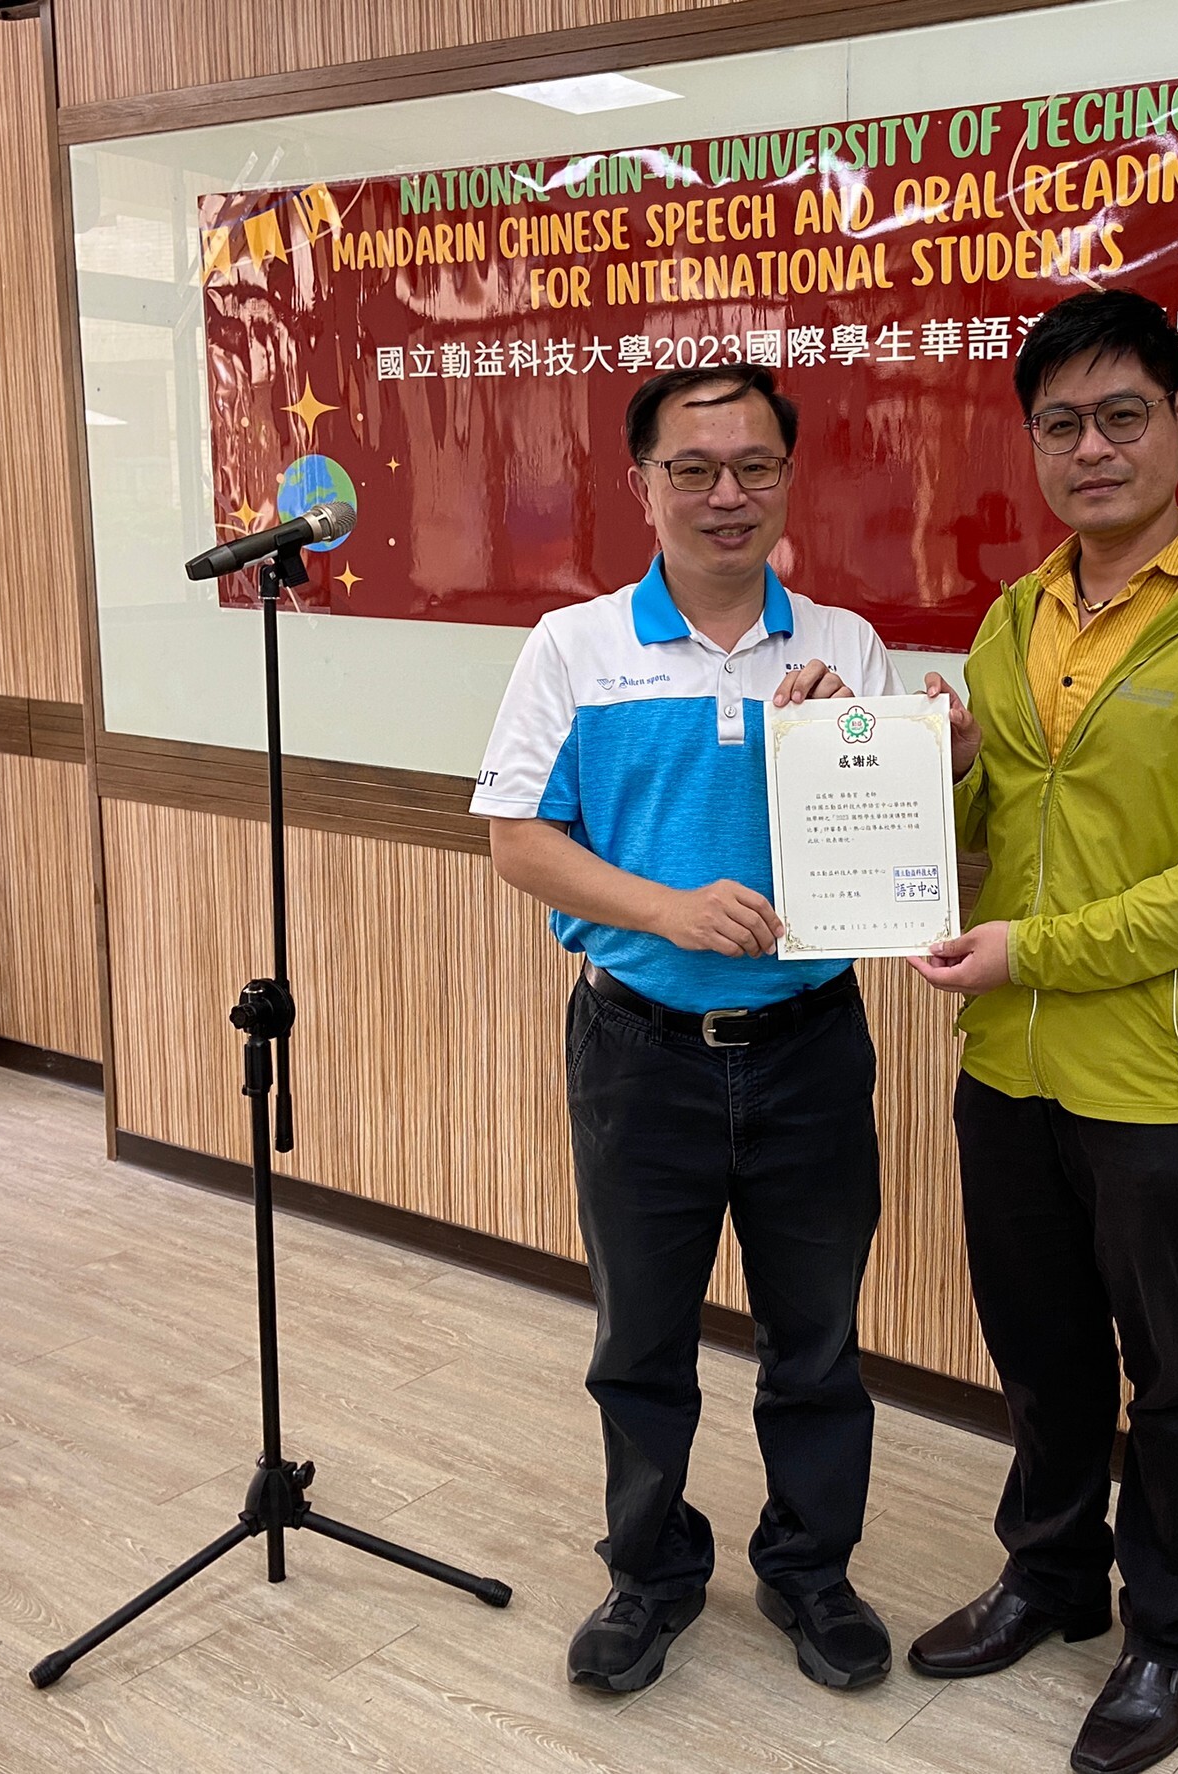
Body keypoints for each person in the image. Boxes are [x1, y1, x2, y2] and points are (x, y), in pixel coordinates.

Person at [906, 290, 1178, 1774]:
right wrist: (941, 769)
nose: (1093, 448)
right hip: (1004, 1064)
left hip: (1157, 1070)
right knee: (1038, 1349)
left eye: (1122, 415)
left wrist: (1041, 950)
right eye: (1063, 424)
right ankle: (1048, 1575)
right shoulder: (1016, 615)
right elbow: (991, 839)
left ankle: (1171, 1633)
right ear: (1034, 441)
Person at [475, 363, 903, 1695]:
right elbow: (517, 841)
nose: (728, 495)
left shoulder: (846, 646)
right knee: (641, 1342)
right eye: (694, 468)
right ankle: (651, 1573)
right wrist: (668, 907)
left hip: (811, 1049)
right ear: (641, 484)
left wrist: (898, 750)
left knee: (817, 1343)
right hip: (640, 1051)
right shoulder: (575, 646)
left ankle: (809, 1567)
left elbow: (909, 830)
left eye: (755, 466)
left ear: (790, 475)